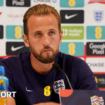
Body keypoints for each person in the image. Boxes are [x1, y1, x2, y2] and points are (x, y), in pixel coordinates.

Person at [0, 4, 98, 105]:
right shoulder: (7, 70)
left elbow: (95, 103)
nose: (46, 42)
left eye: (51, 33)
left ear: (60, 37)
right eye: (38, 34)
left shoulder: (77, 68)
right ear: (26, 40)